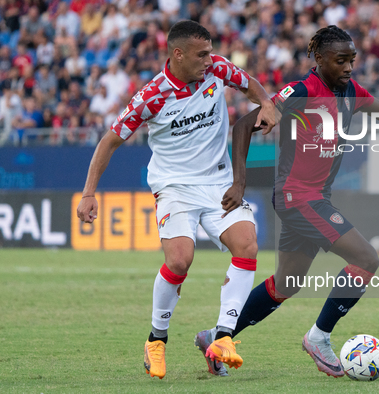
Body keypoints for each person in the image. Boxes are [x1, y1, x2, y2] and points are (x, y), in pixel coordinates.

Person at [197, 25, 379, 378]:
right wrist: (239, 183)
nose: (349, 67)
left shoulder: (350, 91)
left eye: (352, 60)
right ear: (319, 59)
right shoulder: (300, 92)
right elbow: (244, 125)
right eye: (341, 61)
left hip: (313, 197)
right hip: (297, 198)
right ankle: (318, 338)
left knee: (286, 284)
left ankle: (216, 339)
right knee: (366, 258)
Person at [76, 20, 276, 379]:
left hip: (217, 182)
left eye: (211, 51)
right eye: (202, 54)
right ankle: (156, 340)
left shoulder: (217, 69)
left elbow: (249, 84)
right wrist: (89, 193)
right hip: (174, 187)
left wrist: (265, 102)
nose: (210, 59)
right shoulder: (151, 96)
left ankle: (223, 338)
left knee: (247, 245)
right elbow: (109, 141)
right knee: (180, 260)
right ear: (177, 54)